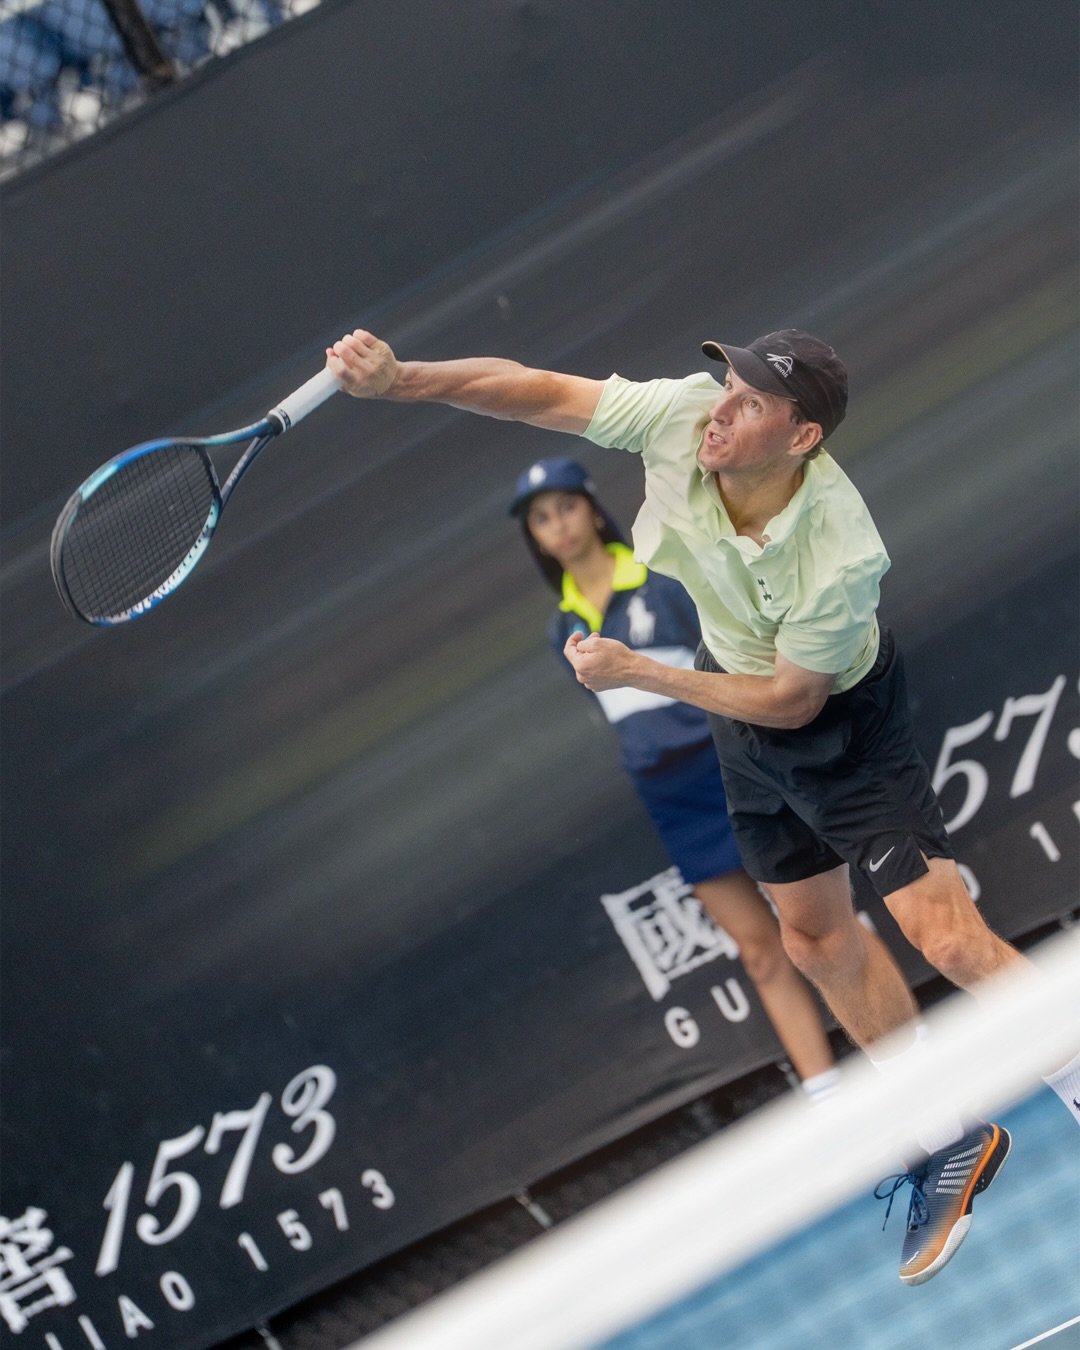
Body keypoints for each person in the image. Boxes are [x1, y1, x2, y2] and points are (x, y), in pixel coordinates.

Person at [325, 326, 1080, 1286]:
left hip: (840, 725)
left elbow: (794, 701)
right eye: (728, 384)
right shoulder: (685, 417)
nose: (722, 406)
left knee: (948, 939)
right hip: (743, 714)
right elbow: (534, 388)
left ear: (802, 437)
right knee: (811, 941)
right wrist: (404, 381)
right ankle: (947, 1133)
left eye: (752, 402)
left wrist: (640, 670)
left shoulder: (839, 551)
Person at [511, 454, 843, 1104]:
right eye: (542, 519)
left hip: (736, 767)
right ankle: (828, 1098)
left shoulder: (664, 579)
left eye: (566, 507)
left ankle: (903, 1072)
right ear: (536, 538)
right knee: (759, 950)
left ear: (592, 507)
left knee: (820, 933)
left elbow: (733, 666)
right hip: (672, 802)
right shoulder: (563, 630)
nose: (559, 525)